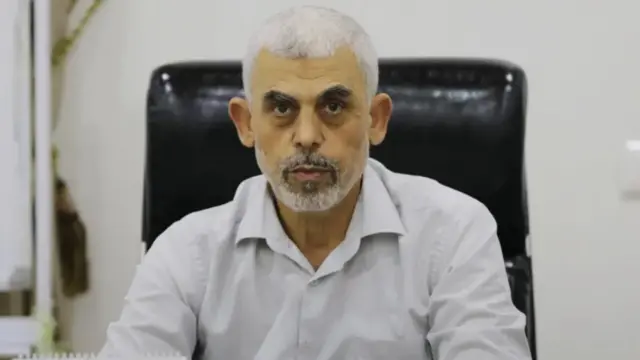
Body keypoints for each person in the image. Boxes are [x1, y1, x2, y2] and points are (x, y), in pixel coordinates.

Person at [101, 5, 532, 360]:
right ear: (246, 123)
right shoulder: (186, 253)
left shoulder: (454, 233)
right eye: (282, 108)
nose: (307, 136)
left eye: (333, 105)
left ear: (376, 120)